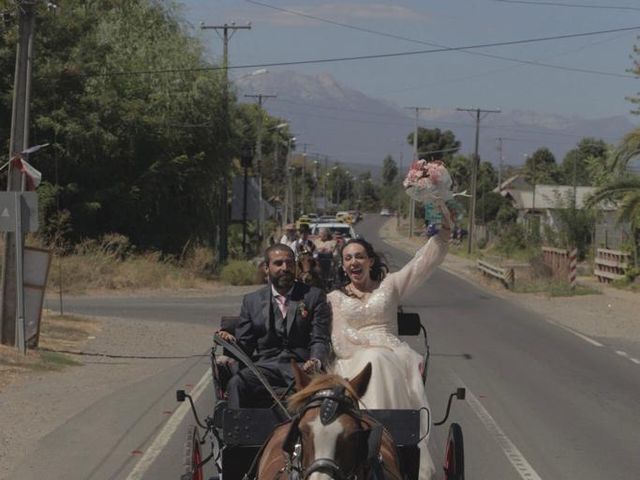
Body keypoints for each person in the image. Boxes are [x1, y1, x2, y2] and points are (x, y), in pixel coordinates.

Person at [327, 221, 450, 479]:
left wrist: (442, 234)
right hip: (352, 359)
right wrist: (370, 347)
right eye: (348, 258)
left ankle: (387, 441)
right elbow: (338, 340)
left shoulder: (390, 285)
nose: (353, 262)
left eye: (359, 256)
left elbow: (422, 263)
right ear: (343, 265)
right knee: (374, 358)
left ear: (370, 261)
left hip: (394, 355)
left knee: (380, 359)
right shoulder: (335, 298)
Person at [224, 244, 331, 409]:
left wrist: (315, 361)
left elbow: (320, 337)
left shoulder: (313, 296)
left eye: (289, 263)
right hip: (264, 368)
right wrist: (230, 343)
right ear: (266, 268)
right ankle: (236, 432)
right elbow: (245, 344)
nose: (285, 268)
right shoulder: (251, 301)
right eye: (278, 263)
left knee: (326, 392)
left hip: (301, 367)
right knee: (237, 383)